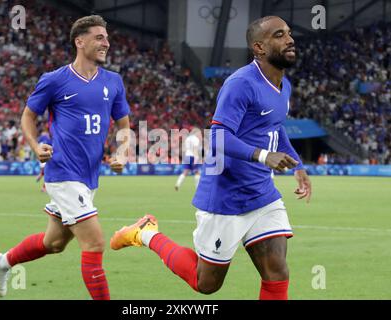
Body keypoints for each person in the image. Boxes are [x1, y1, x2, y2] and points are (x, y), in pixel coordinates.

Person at [110, 16, 312, 300]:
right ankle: (145, 234)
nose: (290, 39)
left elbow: (275, 127)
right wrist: (264, 156)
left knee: (277, 273)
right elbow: (217, 136)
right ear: (259, 47)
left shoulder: (284, 86)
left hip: (263, 194)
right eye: (279, 35)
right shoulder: (241, 83)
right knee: (206, 284)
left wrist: (298, 165)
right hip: (226, 196)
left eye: (289, 33)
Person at [0, 15, 130, 300]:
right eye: (99, 37)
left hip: (89, 178)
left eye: (107, 37)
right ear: (80, 41)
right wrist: (35, 146)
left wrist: (122, 152)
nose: (106, 43)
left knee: (53, 243)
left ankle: (3, 262)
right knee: (94, 243)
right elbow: (28, 117)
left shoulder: (113, 82)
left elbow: (124, 126)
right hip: (63, 174)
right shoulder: (54, 80)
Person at [35, 128, 52, 192]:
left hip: (42, 155)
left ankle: (41, 175)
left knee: (46, 170)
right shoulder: (46, 137)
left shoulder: (42, 137)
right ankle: (44, 187)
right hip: (45, 155)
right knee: (48, 171)